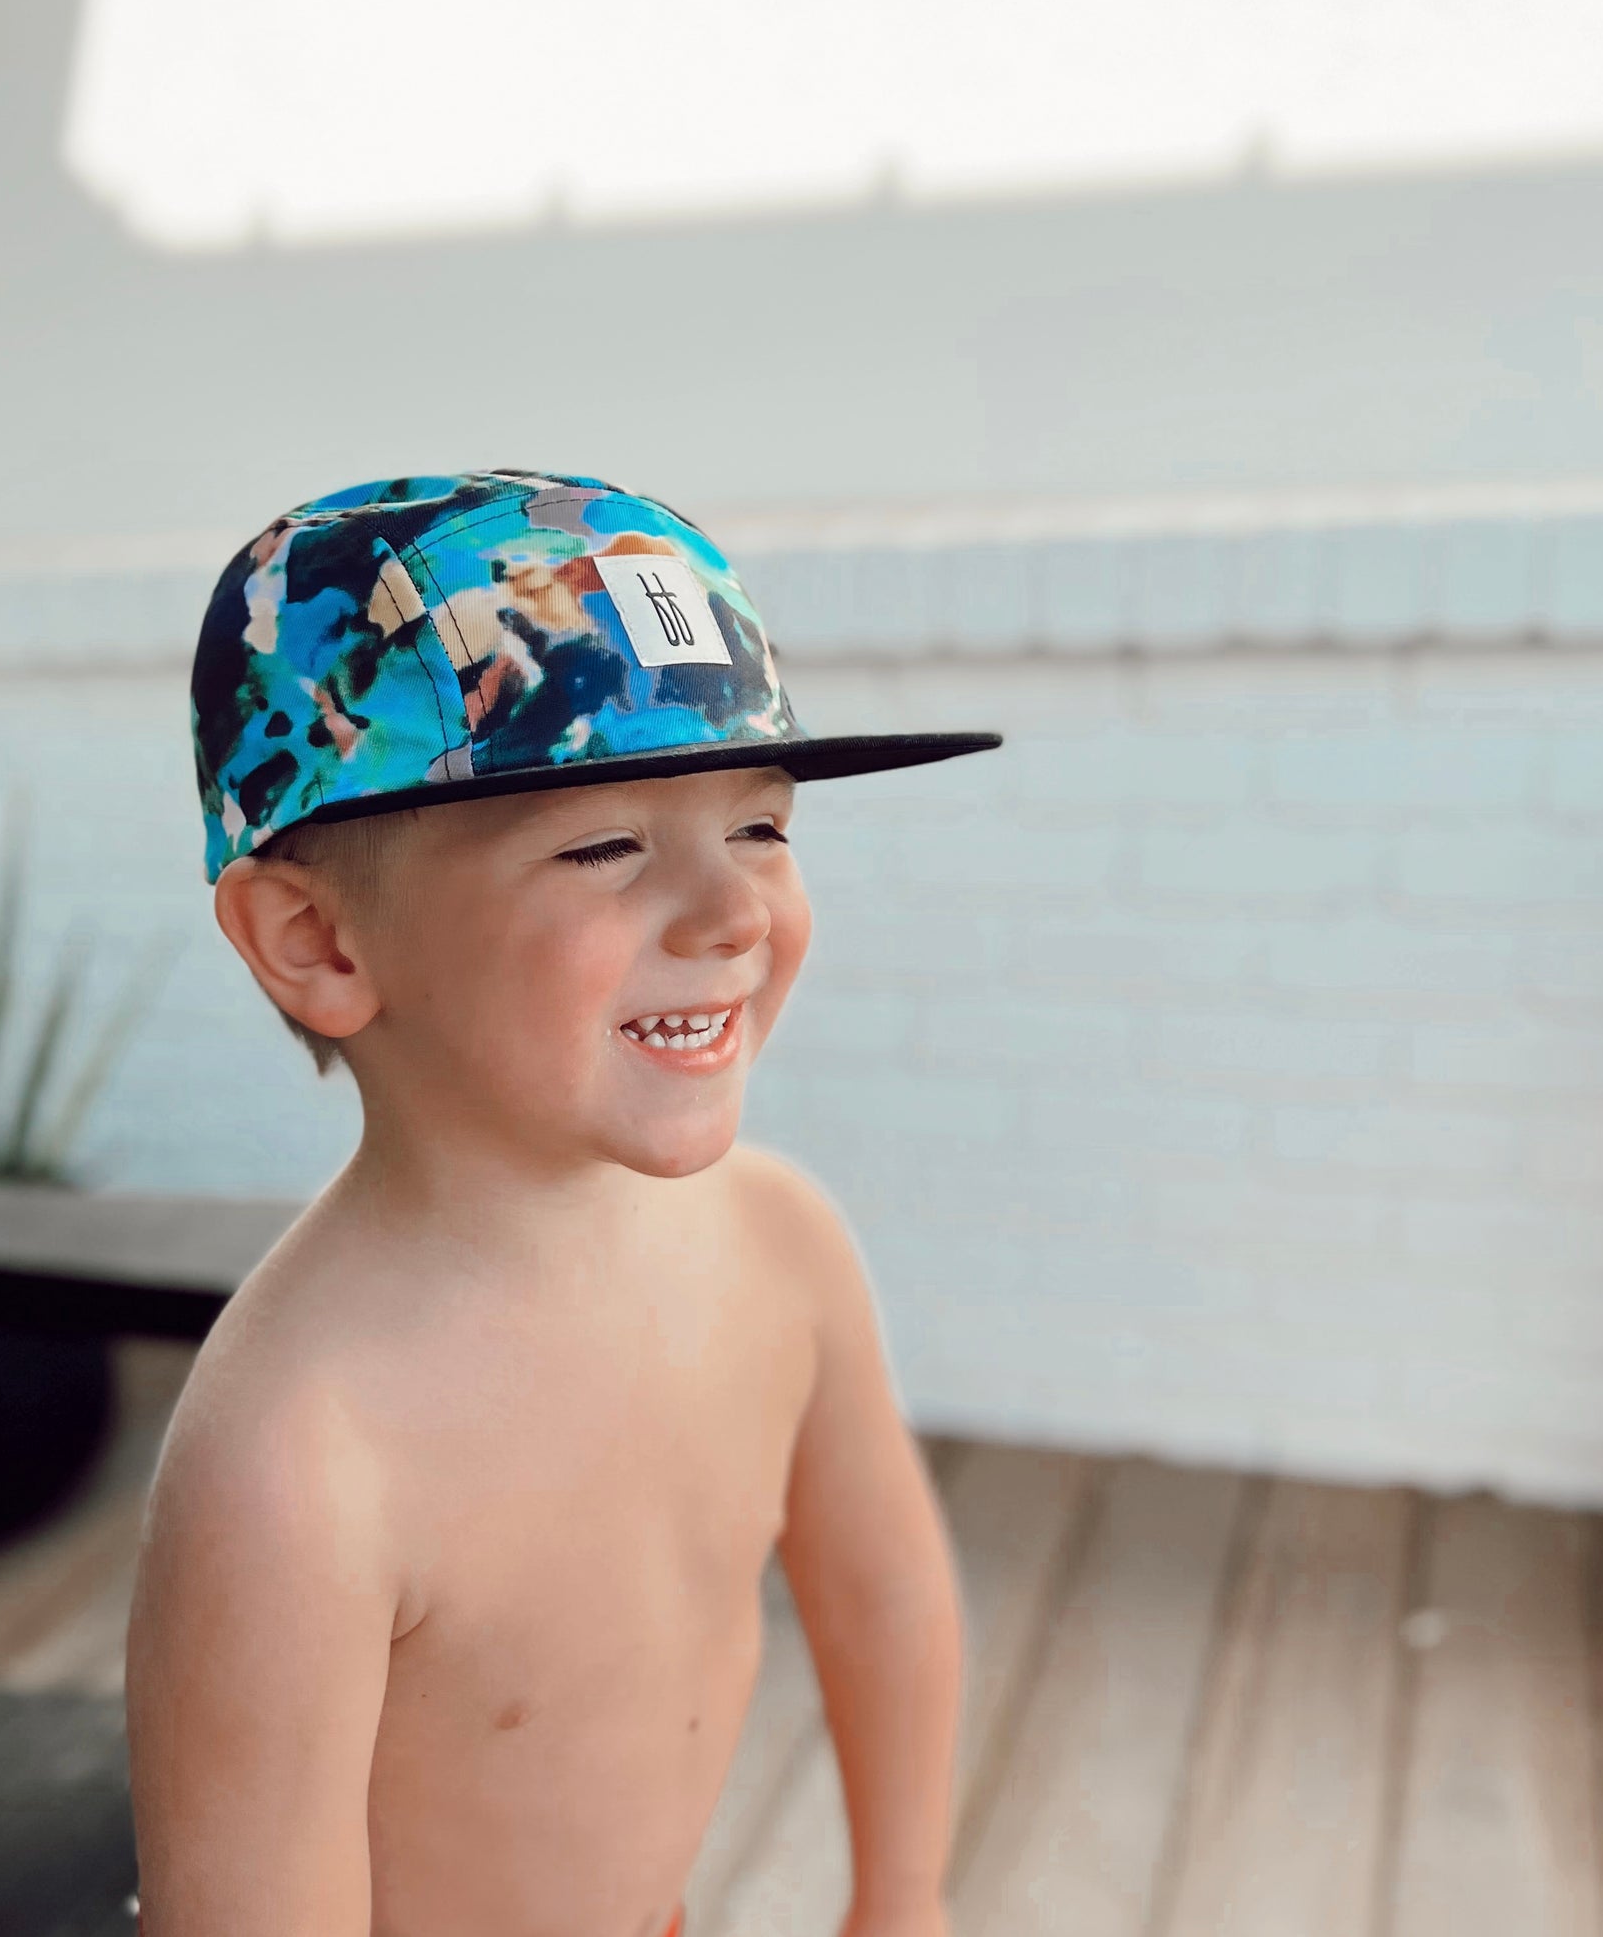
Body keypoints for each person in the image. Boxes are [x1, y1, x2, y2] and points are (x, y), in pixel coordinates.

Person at [125, 471, 1001, 1937]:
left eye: (762, 830)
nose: (730, 916)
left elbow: (887, 1600)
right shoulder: (299, 1459)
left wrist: (901, 1904)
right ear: (317, 938)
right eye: (604, 847)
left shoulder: (782, 1249)